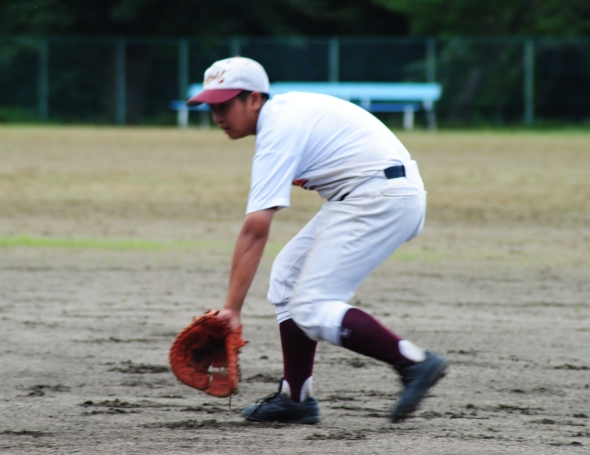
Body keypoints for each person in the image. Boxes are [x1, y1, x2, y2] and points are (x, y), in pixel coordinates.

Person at [186, 56, 448, 424]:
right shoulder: (282, 116)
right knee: (286, 278)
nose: (217, 115)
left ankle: (414, 362)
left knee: (310, 306)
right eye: (212, 107)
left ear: (254, 99)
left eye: (224, 105)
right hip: (373, 192)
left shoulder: (278, 128)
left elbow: (256, 228)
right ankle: (296, 398)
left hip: (380, 196)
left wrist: (231, 309)